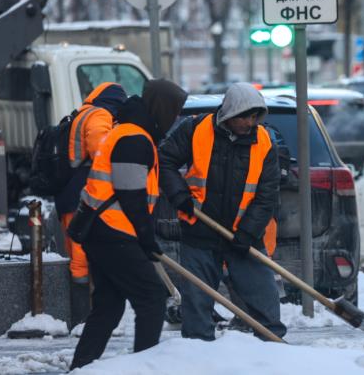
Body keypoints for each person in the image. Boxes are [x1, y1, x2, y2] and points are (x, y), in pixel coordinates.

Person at [70, 79, 187, 370]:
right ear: (162, 108)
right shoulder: (134, 139)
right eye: (174, 110)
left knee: (109, 307)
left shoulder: (132, 132)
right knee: (151, 298)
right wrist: (146, 238)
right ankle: (143, 367)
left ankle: (82, 366)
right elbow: (130, 194)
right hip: (114, 231)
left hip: (104, 230)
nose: (175, 118)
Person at [159, 82, 287, 341]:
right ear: (229, 114)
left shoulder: (264, 142)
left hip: (242, 235)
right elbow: (164, 160)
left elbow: (267, 195)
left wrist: (249, 232)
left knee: (265, 298)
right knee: (196, 303)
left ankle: (274, 350)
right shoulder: (195, 129)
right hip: (200, 230)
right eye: (245, 116)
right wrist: (180, 196)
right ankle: (199, 353)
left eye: (254, 117)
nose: (250, 123)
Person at [56, 82, 127, 284]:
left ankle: (81, 287)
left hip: (69, 187)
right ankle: (84, 298)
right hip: (81, 187)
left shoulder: (82, 112)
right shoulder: (99, 114)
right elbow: (100, 149)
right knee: (81, 241)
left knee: (75, 242)